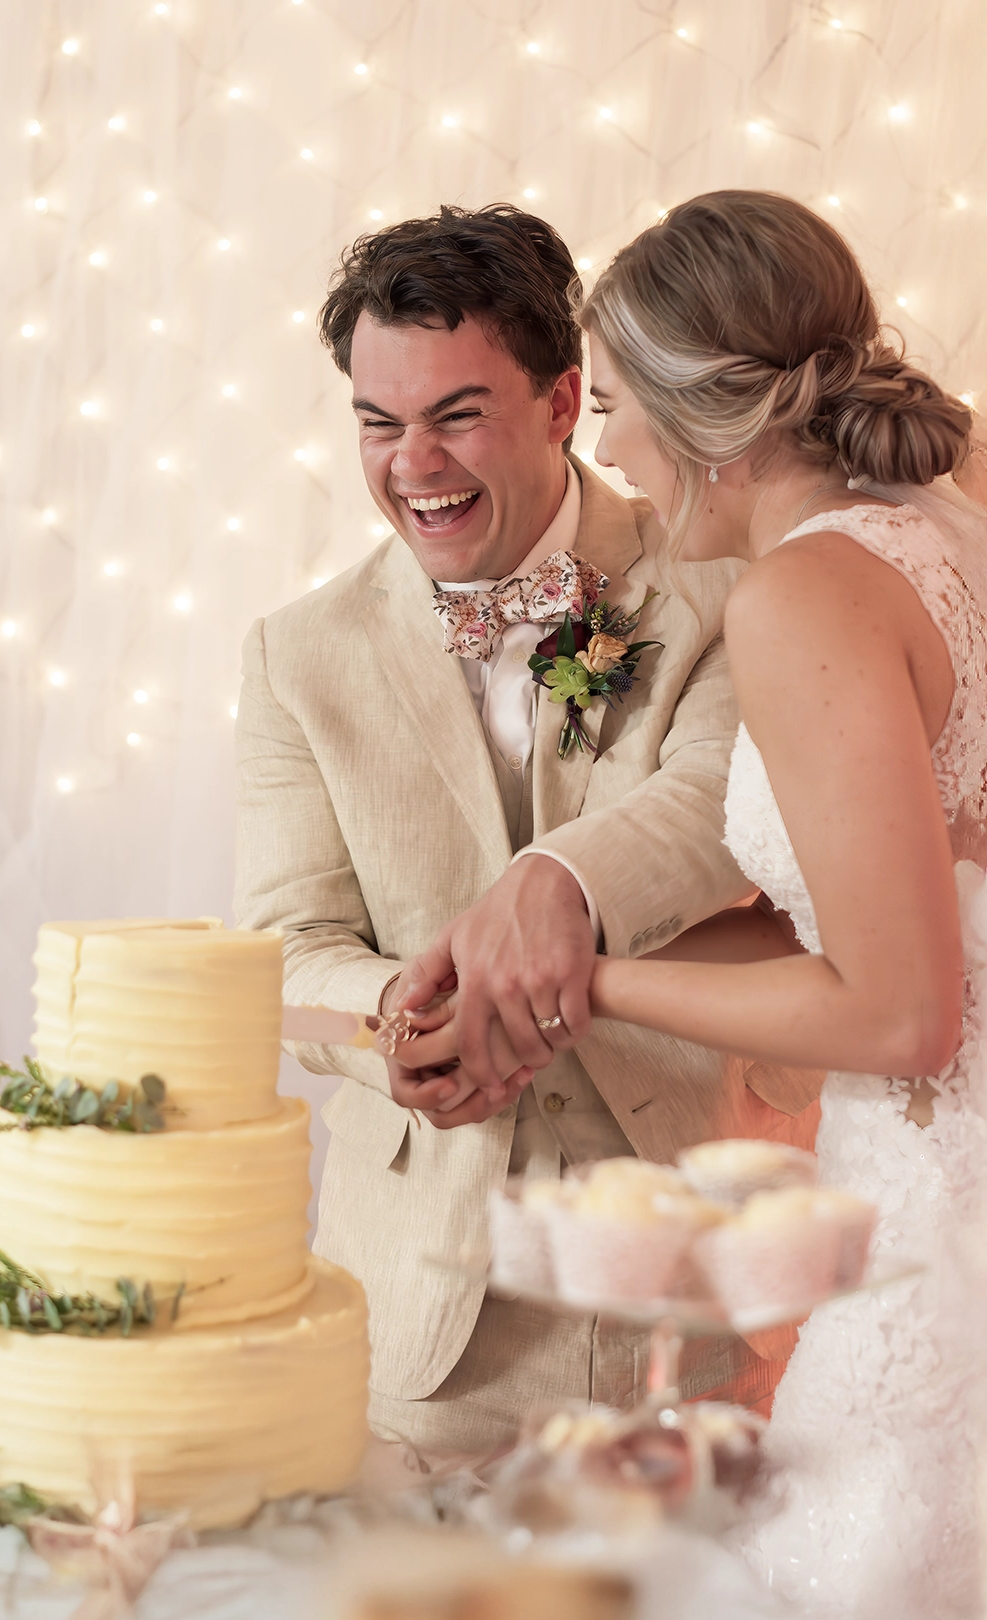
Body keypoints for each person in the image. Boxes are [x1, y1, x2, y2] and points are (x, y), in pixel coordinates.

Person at [400, 191, 987, 1617]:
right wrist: (541, 949)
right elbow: (910, 896)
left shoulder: (805, 597)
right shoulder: (945, 530)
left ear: (707, 416)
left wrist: (580, 988)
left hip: (938, 1197)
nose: (608, 447)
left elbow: (907, 1011)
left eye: (610, 405)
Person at [233, 203, 819, 1455]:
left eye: (456, 415)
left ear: (563, 406)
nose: (414, 465)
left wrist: (550, 887)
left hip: (694, 1274)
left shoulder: (722, 573)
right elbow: (284, 946)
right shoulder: (297, 657)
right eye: (379, 424)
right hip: (420, 1323)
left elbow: (721, 806)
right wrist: (403, 1021)